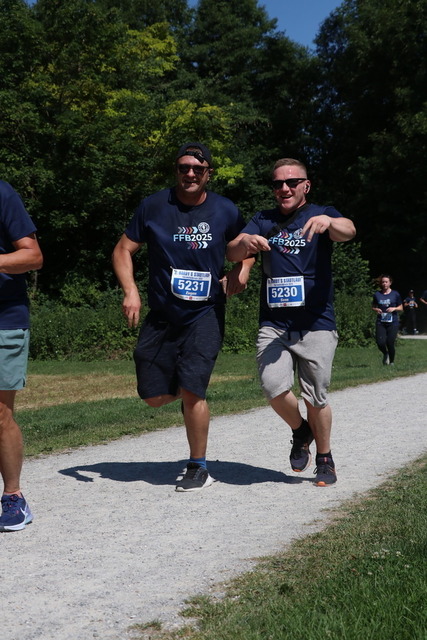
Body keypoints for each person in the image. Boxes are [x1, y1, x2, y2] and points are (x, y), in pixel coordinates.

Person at [112, 142, 252, 492]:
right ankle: (190, 386)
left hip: (205, 311)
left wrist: (243, 269)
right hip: (163, 313)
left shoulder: (224, 209)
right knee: (152, 396)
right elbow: (123, 249)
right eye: (183, 167)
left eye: (198, 169)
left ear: (209, 174)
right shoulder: (154, 205)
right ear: (176, 170)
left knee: (192, 391)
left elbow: (245, 245)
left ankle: (197, 465)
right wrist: (131, 291)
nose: (190, 173)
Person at [226, 158, 356, 487]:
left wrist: (329, 222)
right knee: (272, 386)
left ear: (305, 186)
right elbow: (231, 251)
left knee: (315, 397)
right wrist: (244, 244)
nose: (284, 188)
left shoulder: (321, 213)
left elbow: (349, 231)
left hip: (317, 322)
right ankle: (301, 431)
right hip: (275, 323)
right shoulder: (264, 219)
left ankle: (324, 458)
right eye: (278, 184)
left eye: (292, 182)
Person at [0, 181, 43, 532]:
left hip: (3, 320)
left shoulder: (2, 193)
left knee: (0, 414)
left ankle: (13, 497)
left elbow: (33, 256)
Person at [372, 274, 402, 365]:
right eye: (383, 282)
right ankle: (386, 354)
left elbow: (401, 307)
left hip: (393, 322)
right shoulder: (377, 294)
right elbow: (373, 306)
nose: (384, 284)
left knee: (390, 342)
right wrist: (376, 309)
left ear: (390, 283)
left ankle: (391, 362)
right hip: (381, 322)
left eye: (386, 282)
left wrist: (394, 308)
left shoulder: (395, 294)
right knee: (380, 342)